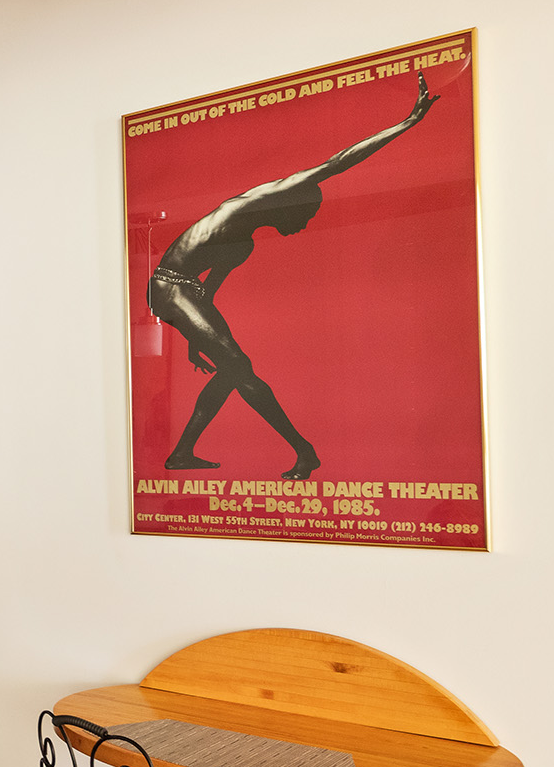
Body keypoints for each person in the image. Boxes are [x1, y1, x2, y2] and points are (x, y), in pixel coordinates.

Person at [148, 71, 439, 479]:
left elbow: (206, 293)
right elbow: (338, 163)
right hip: (169, 286)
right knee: (239, 367)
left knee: (235, 368)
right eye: (306, 216)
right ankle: (305, 452)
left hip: (184, 295)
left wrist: (195, 339)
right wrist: (407, 123)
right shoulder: (253, 203)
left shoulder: (242, 243)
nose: (304, 226)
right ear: (292, 203)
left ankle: (182, 453)